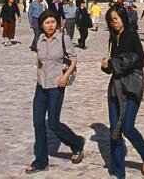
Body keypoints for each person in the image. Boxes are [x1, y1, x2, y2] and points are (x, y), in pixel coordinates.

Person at [24, 10, 85, 173]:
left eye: (53, 22)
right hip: (41, 86)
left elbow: (73, 59)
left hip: (56, 86)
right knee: (38, 122)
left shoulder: (64, 39)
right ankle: (41, 161)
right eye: (47, 22)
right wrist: (38, 75)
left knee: (53, 123)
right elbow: (39, 61)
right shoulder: (40, 40)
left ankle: (77, 143)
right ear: (42, 25)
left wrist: (65, 77)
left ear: (57, 23)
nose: (50, 25)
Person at [101, 7, 144, 179]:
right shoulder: (112, 38)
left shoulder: (131, 36)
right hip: (115, 88)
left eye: (116, 19)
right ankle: (118, 171)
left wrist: (117, 62)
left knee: (127, 127)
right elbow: (113, 69)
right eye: (111, 20)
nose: (113, 22)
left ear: (123, 18)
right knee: (114, 130)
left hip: (131, 87)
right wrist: (107, 66)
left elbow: (142, 60)